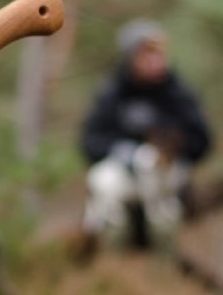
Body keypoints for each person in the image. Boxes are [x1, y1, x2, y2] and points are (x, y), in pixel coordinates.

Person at [78, 19, 213, 255]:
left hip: (166, 180)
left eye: (159, 54)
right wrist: (122, 152)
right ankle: (112, 268)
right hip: (125, 176)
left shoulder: (176, 93)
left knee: (165, 214)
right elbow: (90, 141)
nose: (155, 61)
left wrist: (172, 148)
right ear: (130, 58)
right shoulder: (113, 92)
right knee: (104, 192)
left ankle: (161, 275)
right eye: (146, 55)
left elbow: (201, 141)